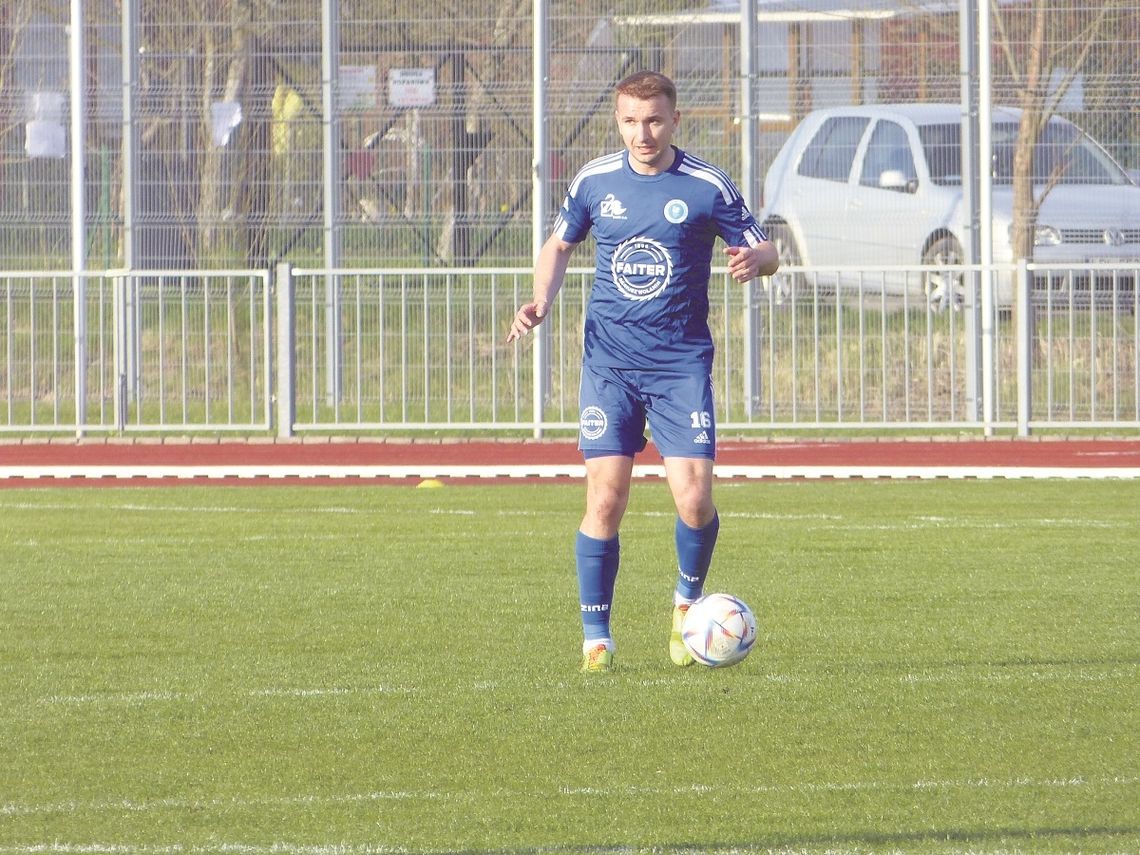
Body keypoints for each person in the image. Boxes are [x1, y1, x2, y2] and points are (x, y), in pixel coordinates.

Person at [506, 71, 779, 672]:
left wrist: (756, 260)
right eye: (631, 121)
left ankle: (685, 608)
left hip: (681, 364)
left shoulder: (707, 185)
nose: (642, 132)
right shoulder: (595, 180)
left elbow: (768, 251)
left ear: (675, 119)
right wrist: (541, 301)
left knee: (695, 499)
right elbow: (557, 246)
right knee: (606, 498)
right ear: (618, 121)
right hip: (610, 363)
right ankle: (596, 640)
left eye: (653, 119)